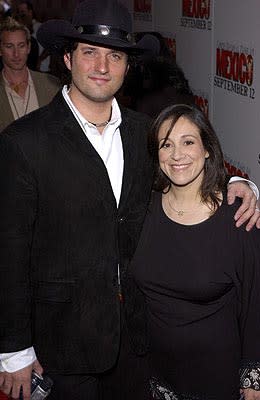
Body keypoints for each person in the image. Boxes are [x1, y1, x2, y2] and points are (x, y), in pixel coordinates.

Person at [0, 1, 258, 400]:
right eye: (90, 52)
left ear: (127, 65)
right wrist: (14, 349)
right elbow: (8, 249)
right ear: (67, 58)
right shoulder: (24, 142)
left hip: (138, 344)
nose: (102, 66)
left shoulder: (145, 135)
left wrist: (242, 183)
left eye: (115, 55)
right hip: (62, 347)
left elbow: (186, 163)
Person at [131, 104, 260, 400]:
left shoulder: (239, 218)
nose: (177, 155)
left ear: (207, 149)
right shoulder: (141, 208)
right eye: (167, 145)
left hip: (218, 381)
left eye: (188, 142)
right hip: (153, 377)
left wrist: (253, 378)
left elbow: (256, 302)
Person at [0, 17, 60, 132]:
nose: (16, 54)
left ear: (28, 47)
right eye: (9, 46)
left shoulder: (52, 85)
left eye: (21, 46)